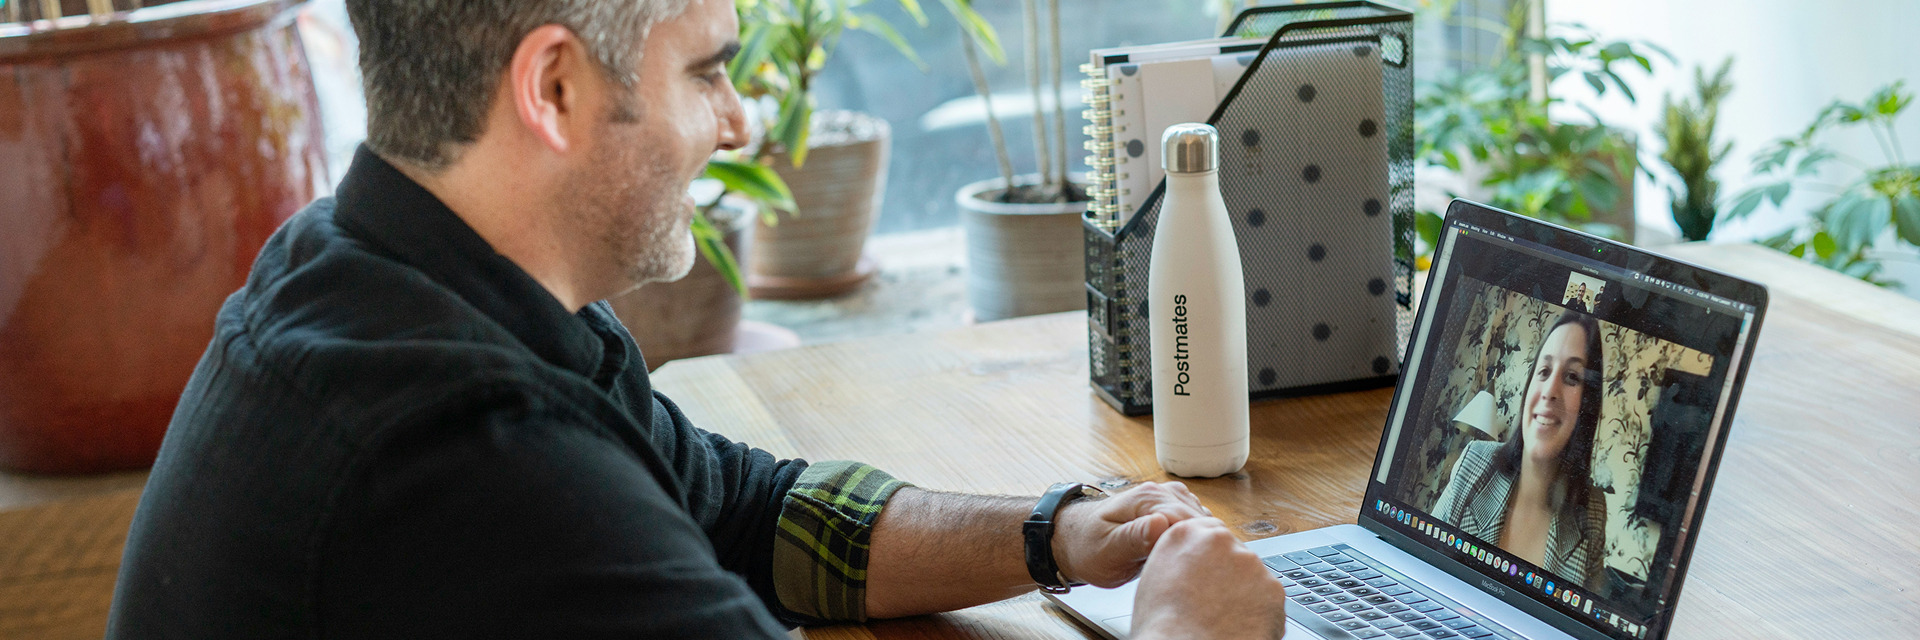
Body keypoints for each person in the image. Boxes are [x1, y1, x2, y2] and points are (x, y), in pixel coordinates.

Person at [104, 0, 1288, 638]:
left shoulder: (377, 267)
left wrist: (1056, 531)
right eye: (706, 71)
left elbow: (739, 510)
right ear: (554, 88)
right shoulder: (468, 457)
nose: (739, 122)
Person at [1430, 311, 1608, 587]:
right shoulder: (1474, 462)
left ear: (1587, 404)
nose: (1550, 391)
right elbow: (1421, 561)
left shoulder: (1592, 512)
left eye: (1572, 377)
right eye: (1544, 371)